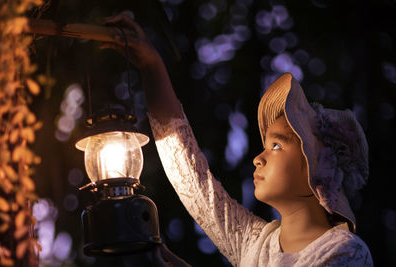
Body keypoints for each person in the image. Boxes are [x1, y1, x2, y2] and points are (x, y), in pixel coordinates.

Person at [102, 13, 373, 267]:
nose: (258, 158)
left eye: (277, 145)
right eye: (265, 146)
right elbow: (190, 176)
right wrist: (151, 64)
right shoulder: (255, 242)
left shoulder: (346, 251)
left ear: (318, 167)